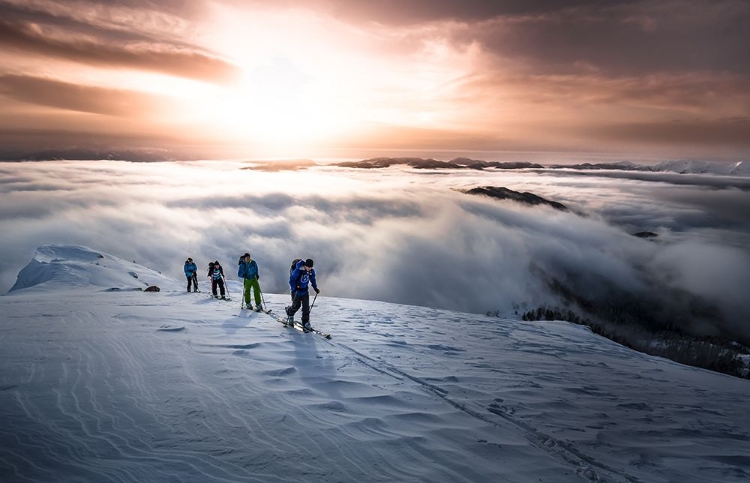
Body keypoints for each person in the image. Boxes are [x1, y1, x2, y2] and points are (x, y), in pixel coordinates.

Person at [286, 258, 320, 329]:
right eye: (308, 267)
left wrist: (315, 288)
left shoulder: (311, 271)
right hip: (296, 291)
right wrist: (294, 289)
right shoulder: (298, 270)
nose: (309, 268)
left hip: (304, 291)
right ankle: (290, 313)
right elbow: (291, 280)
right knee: (296, 306)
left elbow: (313, 279)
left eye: (311, 267)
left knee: (306, 307)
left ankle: (305, 322)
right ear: (305, 265)